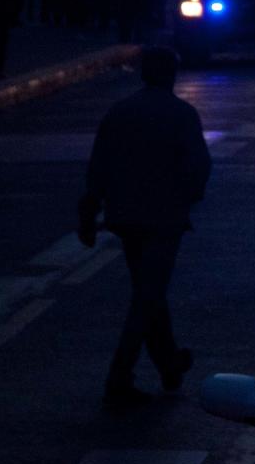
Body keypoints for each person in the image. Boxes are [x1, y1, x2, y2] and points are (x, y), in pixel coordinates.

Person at [78, 45, 212, 407]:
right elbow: (198, 166)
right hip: (164, 218)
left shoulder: (119, 112)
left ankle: (169, 363)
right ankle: (119, 375)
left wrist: (89, 212)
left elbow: (98, 165)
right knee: (148, 296)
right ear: (172, 74)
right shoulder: (182, 114)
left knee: (148, 290)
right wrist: (187, 198)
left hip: (124, 216)